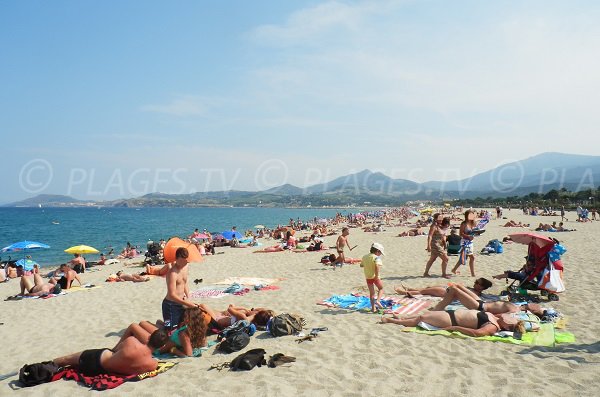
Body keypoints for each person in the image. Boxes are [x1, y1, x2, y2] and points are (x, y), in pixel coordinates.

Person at [52, 329, 168, 376]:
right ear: (160, 347)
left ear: (149, 337)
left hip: (97, 358)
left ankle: (47, 365)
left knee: (65, 360)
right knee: (72, 365)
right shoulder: (152, 364)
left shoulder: (132, 341)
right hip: (98, 371)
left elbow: (116, 350)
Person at [120, 307, 210, 357]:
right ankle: (137, 336)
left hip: (157, 344)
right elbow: (205, 344)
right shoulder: (200, 328)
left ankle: (115, 349)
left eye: (186, 317)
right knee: (143, 323)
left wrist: (174, 350)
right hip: (165, 336)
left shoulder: (184, 335)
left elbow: (188, 355)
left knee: (134, 326)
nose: (184, 317)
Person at [381, 309, 525, 337]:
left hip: (452, 320)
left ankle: (392, 321)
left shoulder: (493, 327)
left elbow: (477, 333)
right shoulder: (496, 318)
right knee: (425, 314)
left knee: (422, 319)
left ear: (507, 326)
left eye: (511, 320)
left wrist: (456, 327)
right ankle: (401, 318)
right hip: (451, 313)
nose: (510, 317)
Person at [432, 283, 544, 316]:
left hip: (480, 307)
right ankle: (444, 302)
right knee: (458, 286)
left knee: (453, 290)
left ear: (531, 311)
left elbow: (500, 316)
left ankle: (438, 309)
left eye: (536, 307)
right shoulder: (519, 305)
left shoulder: (515, 311)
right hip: (483, 302)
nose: (535, 305)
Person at [162, 247, 198, 330]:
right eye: (184, 260)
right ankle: (161, 323)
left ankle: (162, 323)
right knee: (169, 329)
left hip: (182, 302)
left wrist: (188, 298)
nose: (186, 262)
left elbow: (184, 283)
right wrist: (187, 304)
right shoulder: (172, 273)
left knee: (182, 326)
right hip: (169, 305)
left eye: (187, 260)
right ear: (177, 258)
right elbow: (172, 295)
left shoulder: (186, 267)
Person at [197, 303, 274, 329]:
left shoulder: (243, 317)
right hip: (223, 320)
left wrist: (244, 308)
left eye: (253, 309)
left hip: (216, 322)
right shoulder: (252, 324)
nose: (251, 309)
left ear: (256, 313)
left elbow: (229, 308)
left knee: (202, 305)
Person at [394, 278, 493, 298]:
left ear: (482, 287)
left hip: (447, 292)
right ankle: (410, 289)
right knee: (428, 287)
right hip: (448, 289)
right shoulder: (474, 290)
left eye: (477, 283)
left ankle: (403, 292)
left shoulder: (476, 294)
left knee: (425, 291)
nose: (474, 283)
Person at [451, 210, 478, 277]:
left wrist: (476, 234)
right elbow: (461, 233)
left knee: (464, 258)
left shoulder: (473, 223)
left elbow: (475, 230)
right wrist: (468, 236)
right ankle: (472, 273)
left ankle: (454, 269)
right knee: (471, 258)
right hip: (465, 242)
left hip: (470, 242)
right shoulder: (464, 223)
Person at [361, 243, 385, 312]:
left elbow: (361, 265)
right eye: (380, 253)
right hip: (375, 277)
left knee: (372, 293)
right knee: (381, 288)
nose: (380, 254)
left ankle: (373, 308)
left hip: (368, 277)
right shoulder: (376, 258)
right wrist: (376, 276)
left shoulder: (364, 256)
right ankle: (378, 301)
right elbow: (377, 266)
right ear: (377, 251)